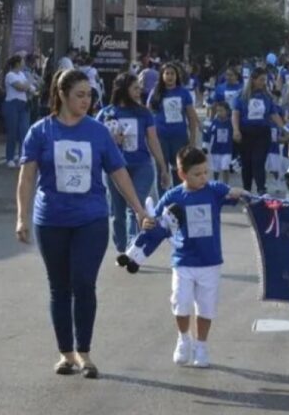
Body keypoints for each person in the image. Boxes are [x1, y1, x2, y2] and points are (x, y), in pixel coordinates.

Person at [16, 70, 146, 378]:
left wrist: (138, 209)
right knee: (59, 288)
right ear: (61, 95)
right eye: (80, 95)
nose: (86, 101)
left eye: (89, 95)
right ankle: (66, 354)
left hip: (91, 219)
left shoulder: (98, 132)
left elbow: (119, 174)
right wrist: (21, 216)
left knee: (84, 283)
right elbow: (27, 177)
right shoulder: (40, 131)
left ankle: (85, 353)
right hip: (51, 220)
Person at [145, 146, 246, 368]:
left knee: (206, 308)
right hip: (183, 260)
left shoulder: (214, 190)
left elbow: (234, 194)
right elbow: (156, 222)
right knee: (180, 303)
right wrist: (147, 222)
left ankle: (201, 345)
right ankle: (184, 339)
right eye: (197, 174)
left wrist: (240, 193)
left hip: (210, 261)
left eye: (205, 172)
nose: (203, 178)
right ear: (182, 174)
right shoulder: (173, 196)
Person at [96, 72, 170, 259]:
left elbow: (153, 140)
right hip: (115, 169)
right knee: (118, 213)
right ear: (123, 89)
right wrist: (111, 141)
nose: (140, 91)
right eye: (135, 88)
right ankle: (121, 246)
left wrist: (162, 166)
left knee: (134, 206)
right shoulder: (106, 113)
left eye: (139, 87)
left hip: (142, 166)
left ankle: (132, 247)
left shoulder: (143, 113)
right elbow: (95, 144)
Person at [148, 63, 200, 194]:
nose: (170, 76)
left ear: (177, 76)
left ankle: (179, 199)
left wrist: (192, 140)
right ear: (162, 76)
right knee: (162, 170)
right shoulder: (155, 91)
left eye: (172, 73)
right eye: (167, 73)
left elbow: (191, 117)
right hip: (161, 138)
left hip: (179, 137)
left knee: (180, 169)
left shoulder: (183, 93)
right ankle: (163, 202)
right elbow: (147, 114)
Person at [3, 55, 32, 167]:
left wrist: (32, 86)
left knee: (24, 131)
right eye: (22, 61)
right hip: (12, 104)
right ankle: (9, 158)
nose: (24, 63)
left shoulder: (22, 75)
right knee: (12, 132)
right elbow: (21, 87)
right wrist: (29, 82)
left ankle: (22, 156)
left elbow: (30, 88)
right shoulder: (10, 75)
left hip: (23, 105)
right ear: (17, 63)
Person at [206, 101, 234, 183]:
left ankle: (226, 184)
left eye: (221, 111)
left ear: (227, 111)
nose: (219, 113)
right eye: (217, 111)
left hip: (227, 150)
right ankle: (215, 182)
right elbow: (208, 134)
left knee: (225, 168)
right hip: (216, 150)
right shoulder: (214, 122)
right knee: (216, 169)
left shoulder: (231, 123)